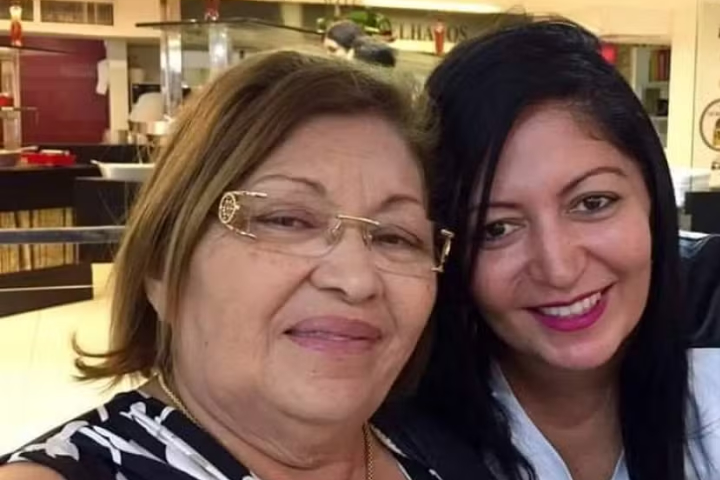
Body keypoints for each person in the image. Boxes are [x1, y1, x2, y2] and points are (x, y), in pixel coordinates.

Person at [0, 50, 493, 480]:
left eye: (395, 236)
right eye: (286, 220)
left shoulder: (447, 447)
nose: (356, 279)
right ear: (163, 264)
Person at [417, 20, 720, 480]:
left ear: (653, 193)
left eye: (592, 203)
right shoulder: (410, 383)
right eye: (497, 228)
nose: (558, 268)